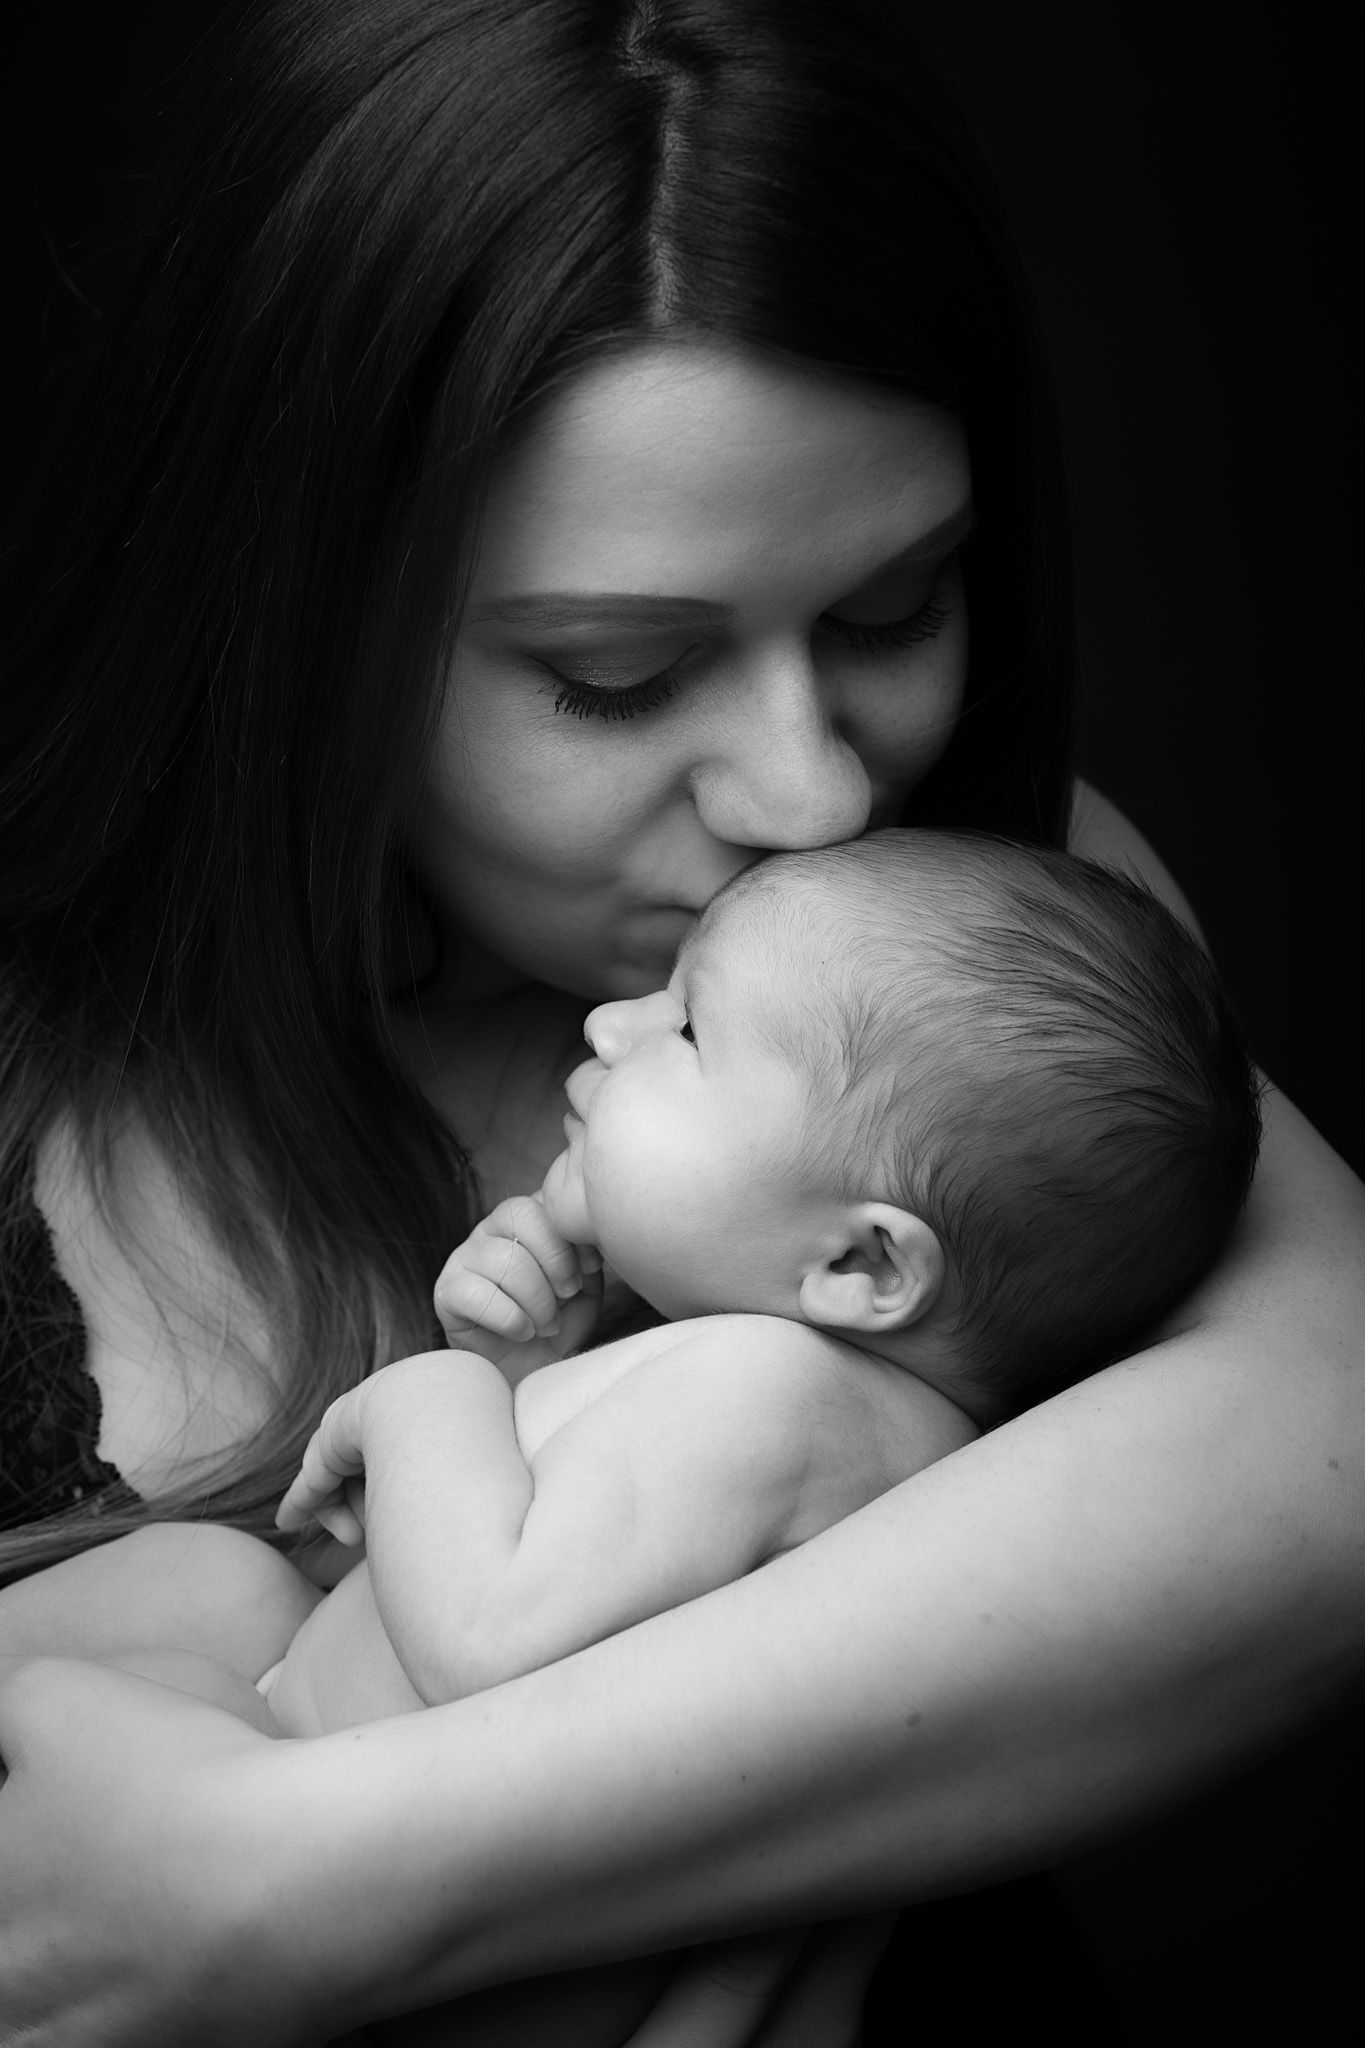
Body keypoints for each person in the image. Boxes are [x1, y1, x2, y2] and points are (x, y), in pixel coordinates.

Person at [0, 4, 1361, 2044]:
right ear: (302, 624)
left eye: (894, 610)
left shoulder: (971, 936)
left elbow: (1323, 1460)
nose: (815, 793)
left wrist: (306, 1891)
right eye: (622, 680)